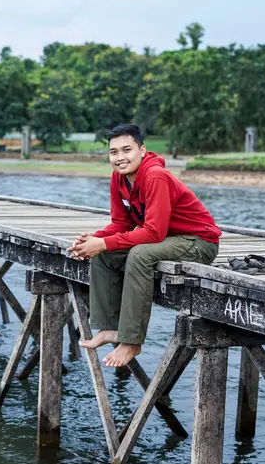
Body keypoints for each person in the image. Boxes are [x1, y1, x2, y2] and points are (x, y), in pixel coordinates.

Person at [68, 124, 221, 368]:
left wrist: (104, 242)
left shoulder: (155, 176)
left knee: (139, 254)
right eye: (113, 152)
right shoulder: (119, 179)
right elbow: (121, 223)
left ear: (142, 150)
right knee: (104, 255)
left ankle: (132, 341)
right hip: (168, 240)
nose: (120, 158)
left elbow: (153, 232)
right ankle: (110, 328)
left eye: (126, 150)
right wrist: (93, 241)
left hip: (199, 242)